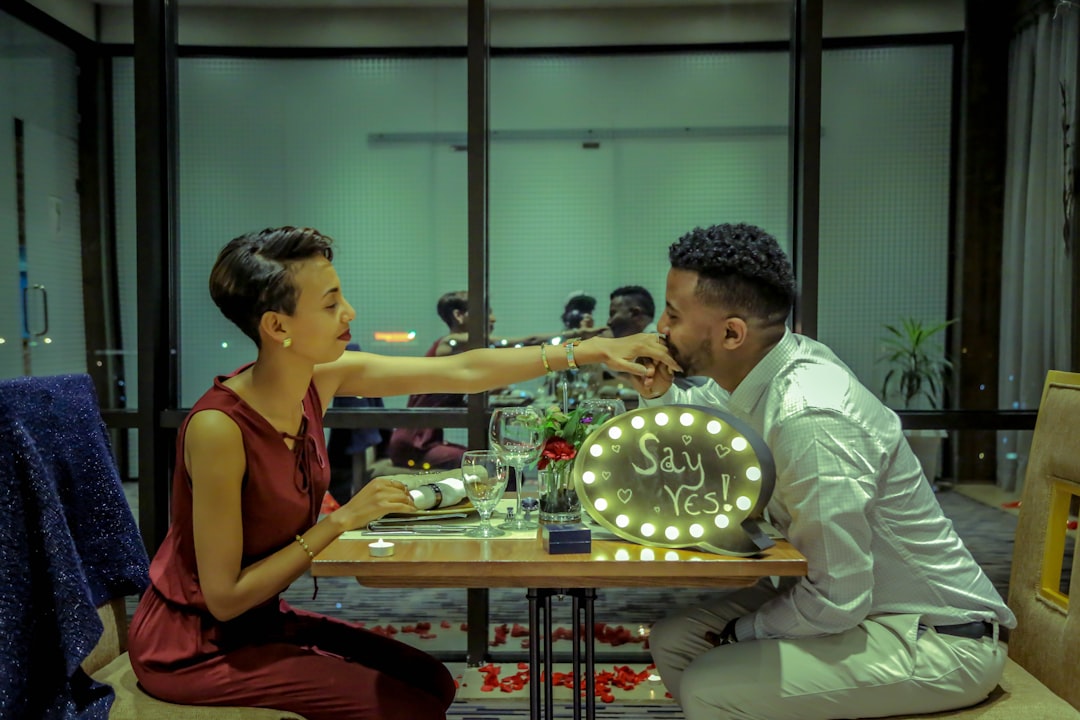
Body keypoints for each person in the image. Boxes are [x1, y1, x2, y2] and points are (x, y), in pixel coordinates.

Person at [126, 226, 677, 720]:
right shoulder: (219, 428)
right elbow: (224, 598)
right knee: (408, 708)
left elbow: (464, 369)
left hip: (262, 622)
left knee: (433, 681)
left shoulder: (316, 380)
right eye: (331, 303)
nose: (350, 313)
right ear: (277, 326)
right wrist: (340, 522)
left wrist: (591, 350)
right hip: (195, 646)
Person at [636, 223, 1015, 720]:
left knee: (710, 683)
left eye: (673, 313)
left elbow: (839, 597)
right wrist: (657, 392)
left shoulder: (810, 415)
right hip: (861, 611)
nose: (660, 327)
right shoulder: (765, 371)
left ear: (731, 333)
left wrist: (739, 634)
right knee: (675, 639)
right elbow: (702, 424)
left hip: (935, 637)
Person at [388, 290, 605, 470]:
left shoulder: (463, 351)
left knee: (506, 457)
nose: (493, 319)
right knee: (494, 465)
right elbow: (527, 341)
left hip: (428, 441)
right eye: (486, 312)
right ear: (458, 315)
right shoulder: (451, 343)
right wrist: (580, 334)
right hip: (415, 444)